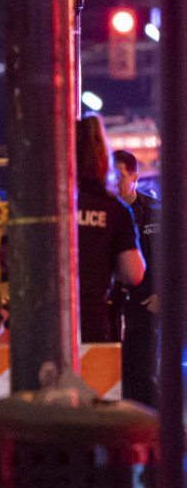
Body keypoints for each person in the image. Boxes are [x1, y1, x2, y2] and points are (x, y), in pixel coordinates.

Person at [74, 117, 144, 344]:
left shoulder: (43, 204)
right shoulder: (114, 209)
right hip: (92, 322)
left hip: (42, 325)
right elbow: (133, 273)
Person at [111, 148, 160, 405]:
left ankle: (156, 424)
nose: (114, 181)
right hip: (115, 308)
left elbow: (175, 256)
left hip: (146, 306)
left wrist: (163, 296)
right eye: (110, 175)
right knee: (116, 376)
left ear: (134, 177)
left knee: (143, 376)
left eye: (119, 175)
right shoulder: (108, 211)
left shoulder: (155, 211)